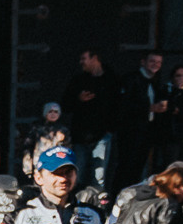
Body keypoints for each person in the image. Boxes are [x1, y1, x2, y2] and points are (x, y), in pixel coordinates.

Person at [64, 50, 119, 191]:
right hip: (81, 136)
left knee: (99, 175)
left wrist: (110, 128)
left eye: (84, 58)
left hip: (102, 135)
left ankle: (96, 208)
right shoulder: (79, 80)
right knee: (78, 174)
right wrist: (79, 99)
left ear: (95, 58)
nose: (81, 62)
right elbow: (65, 105)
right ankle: (77, 205)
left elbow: (118, 105)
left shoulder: (111, 79)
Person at [121, 52, 166, 184]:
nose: (156, 65)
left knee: (140, 166)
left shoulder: (155, 82)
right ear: (143, 62)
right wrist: (149, 108)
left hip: (147, 131)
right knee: (127, 166)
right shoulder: (131, 79)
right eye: (152, 61)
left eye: (159, 62)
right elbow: (124, 105)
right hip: (131, 131)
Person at [18, 102, 67, 182]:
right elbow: (27, 148)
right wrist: (28, 168)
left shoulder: (63, 130)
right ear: (45, 113)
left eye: (56, 112)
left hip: (56, 166)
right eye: (50, 111)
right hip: (39, 165)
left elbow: (67, 151)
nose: (53, 114)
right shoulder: (36, 128)